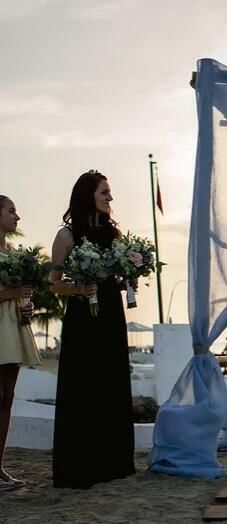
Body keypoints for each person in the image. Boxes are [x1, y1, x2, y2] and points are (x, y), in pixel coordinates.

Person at [50, 170, 135, 489]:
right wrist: (79, 289)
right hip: (83, 318)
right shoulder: (66, 236)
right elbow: (55, 284)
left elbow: (119, 272)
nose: (110, 198)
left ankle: (113, 463)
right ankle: (80, 464)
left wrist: (129, 278)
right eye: (104, 192)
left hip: (112, 313)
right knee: (84, 384)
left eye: (110, 193)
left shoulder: (115, 235)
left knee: (110, 381)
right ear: (89, 195)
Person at [0, 195, 40, 492]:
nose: (17, 216)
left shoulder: (12, 252)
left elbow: (18, 292)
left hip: (12, 326)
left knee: (7, 397)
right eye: (11, 210)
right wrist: (13, 292)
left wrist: (26, 302)